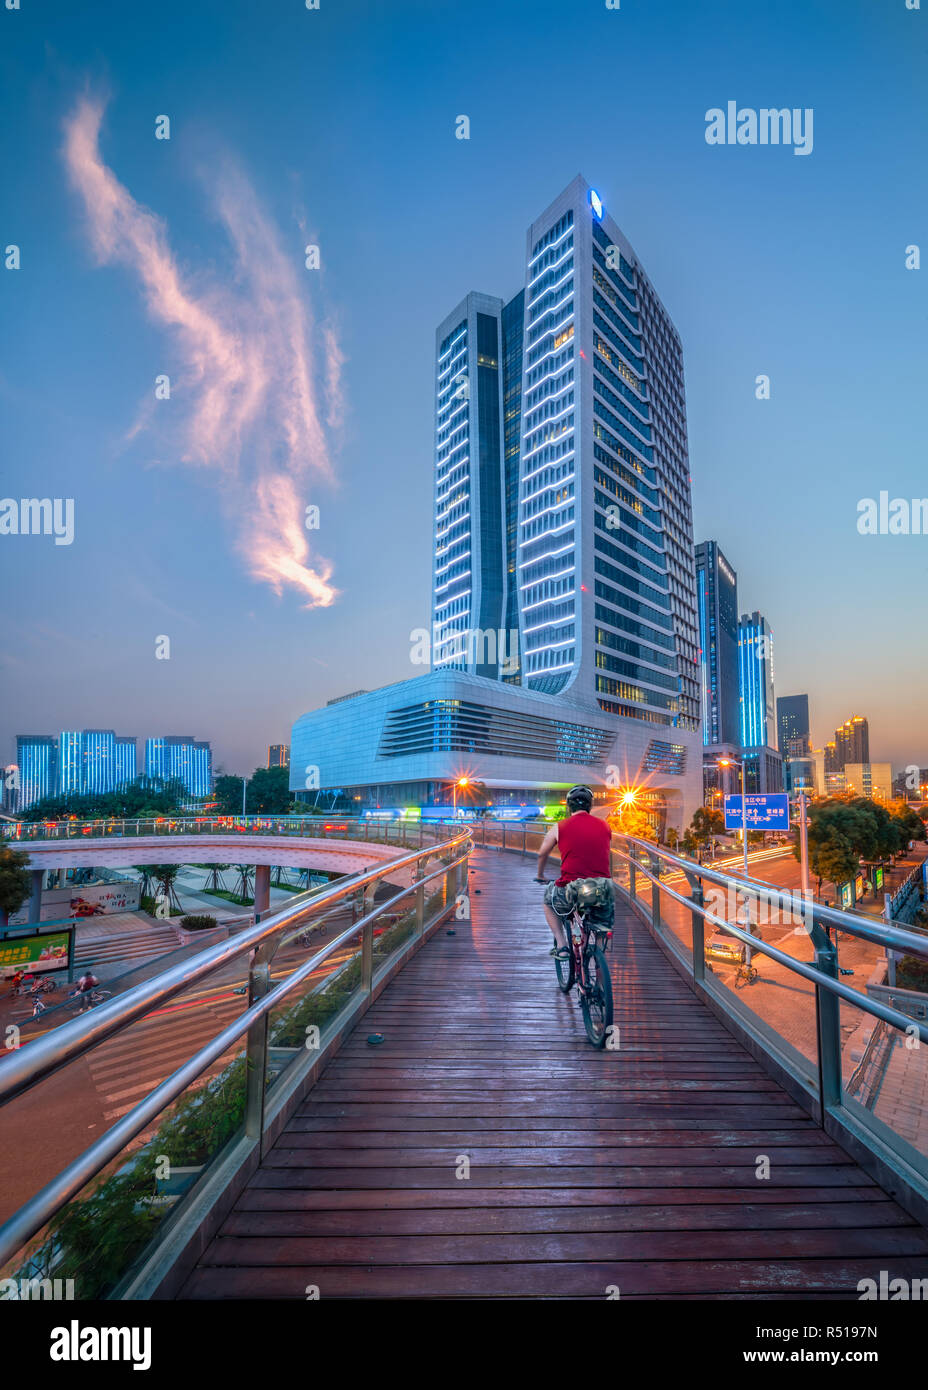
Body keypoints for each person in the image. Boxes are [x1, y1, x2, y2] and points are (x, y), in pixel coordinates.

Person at [534, 785, 614, 958]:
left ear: (569, 806)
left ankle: (562, 946)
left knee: (548, 902)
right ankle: (600, 971)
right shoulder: (605, 826)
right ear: (589, 806)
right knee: (600, 934)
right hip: (603, 887)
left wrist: (540, 875)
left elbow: (542, 854)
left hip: (573, 888)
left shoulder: (560, 826)